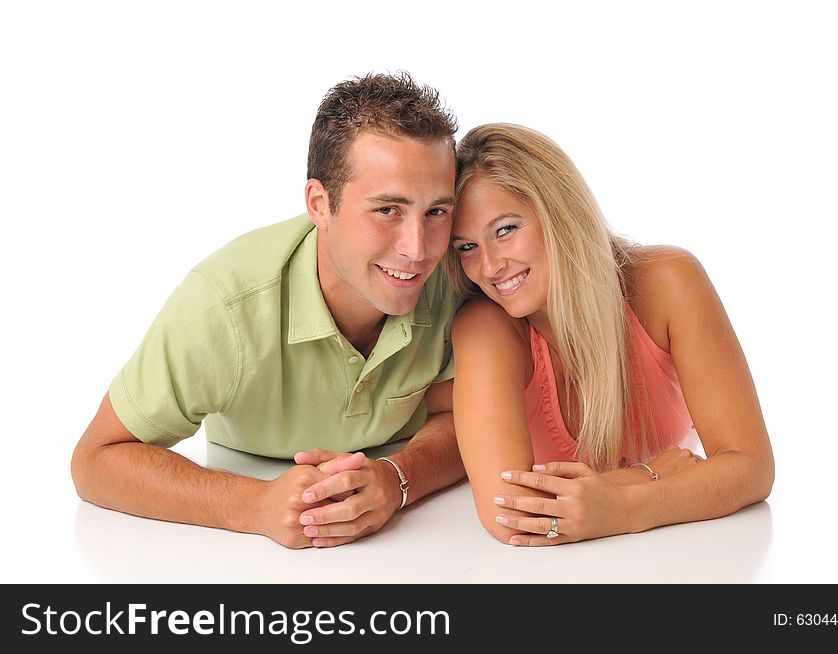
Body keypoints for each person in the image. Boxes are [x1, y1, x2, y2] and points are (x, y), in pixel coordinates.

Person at [71, 72, 466, 549]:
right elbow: (96, 459)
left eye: (436, 212)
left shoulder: (457, 277)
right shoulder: (222, 304)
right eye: (387, 210)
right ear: (320, 204)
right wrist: (253, 505)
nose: (417, 249)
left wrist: (397, 478)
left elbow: (461, 416)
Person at [446, 123, 774, 546]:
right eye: (466, 247)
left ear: (559, 213)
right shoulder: (484, 328)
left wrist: (627, 510)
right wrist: (651, 476)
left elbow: (751, 466)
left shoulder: (668, 283)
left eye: (506, 229)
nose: (489, 267)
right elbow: (508, 511)